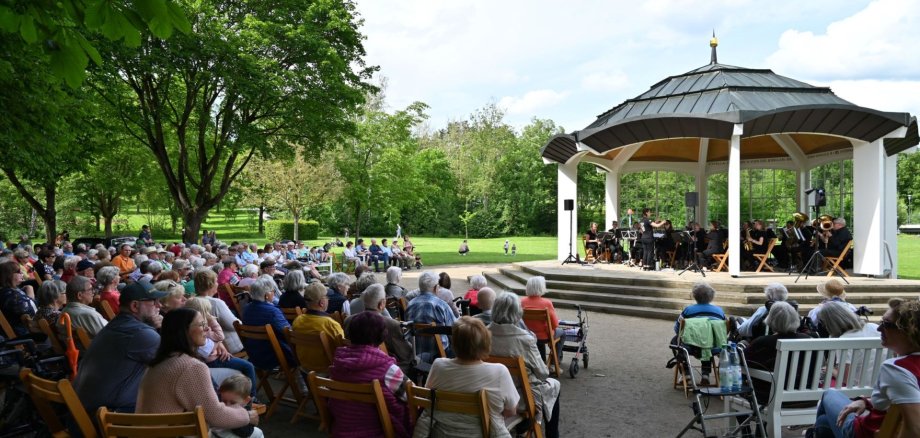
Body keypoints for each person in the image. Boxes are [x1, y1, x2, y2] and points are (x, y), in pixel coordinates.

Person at [135, 308, 260, 434]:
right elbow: (215, 415)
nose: (207, 328)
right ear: (184, 331)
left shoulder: (158, 363)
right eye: (201, 324)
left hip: (146, 433)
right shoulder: (191, 367)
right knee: (256, 434)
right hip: (171, 433)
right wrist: (247, 416)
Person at [812, 300, 920, 437]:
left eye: (886, 324)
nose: (879, 329)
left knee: (829, 394)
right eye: (881, 322)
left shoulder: (897, 369)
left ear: (908, 331)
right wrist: (866, 402)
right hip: (883, 424)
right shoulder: (906, 367)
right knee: (824, 422)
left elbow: (915, 429)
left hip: (866, 432)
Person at [412, 317, 520, 438]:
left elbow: (428, 400)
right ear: (485, 343)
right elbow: (511, 411)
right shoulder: (499, 372)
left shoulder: (438, 366)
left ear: (454, 342)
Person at [74, 282, 165, 414]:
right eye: (154, 301)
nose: (159, 305)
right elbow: (176, 364)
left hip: (86, 409)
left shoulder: (116, 324)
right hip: (110, 416)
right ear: (135, 306)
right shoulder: (141, 333)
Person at [489, 293, 561, 438]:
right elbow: (543, 373)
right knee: (555, 384)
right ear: (517, 313)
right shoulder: (525, 339)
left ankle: (525, 423)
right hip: (522, 398)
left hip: (492, 394)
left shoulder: (483, 333)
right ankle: (551, 435)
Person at [332, 311, 412, 437]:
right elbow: (412, 396)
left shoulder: (337, 365)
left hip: (342, 430)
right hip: (380, 431)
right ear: (382, 336)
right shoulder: (389, 370)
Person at [741, 301, 816, 404]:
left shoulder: (762, 343)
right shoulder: (810, 341)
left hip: (771, 397)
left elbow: (742, 363)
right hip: (808, 398)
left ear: (771, 320)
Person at [344, 284, 413, 371]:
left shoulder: (348, 320)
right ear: (381, 304)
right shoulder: (392, 325)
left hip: (353, 367)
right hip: (384, 370)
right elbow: (406, 354)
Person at [670, 282, 725, 385]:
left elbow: (678, 329)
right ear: (711, 297)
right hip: (714, 347)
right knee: (707, 341)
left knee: (675, 341)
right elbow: (723, 331)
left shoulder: (688, 310)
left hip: (690, 346)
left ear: (694, 296)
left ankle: (686, 374)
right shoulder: (719, 311)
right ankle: (705, 375)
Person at [241, 276, 294, 371]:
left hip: (254, 355)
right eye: (272, 291)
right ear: (266, 295)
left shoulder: (246, 309)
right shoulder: (272, 311)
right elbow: (288, 332)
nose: (274, 293)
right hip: (274, 355)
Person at [821, 301, 880, 385]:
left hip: (859, 388)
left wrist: (830, 369)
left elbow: (845, 379)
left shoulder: (843, 340)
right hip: (883, 384)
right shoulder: (875, 327)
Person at [291, 282, 345, 372]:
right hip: (327, 370)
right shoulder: (330, 324)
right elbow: (343, 350)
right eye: (327, 297)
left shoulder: (297, 320)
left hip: (305, 368)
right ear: (321, 303)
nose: (328, 299)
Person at [406, 271, 458, 360]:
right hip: (440, 353)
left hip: (417, 353)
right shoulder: (441, 305)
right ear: (436, 288)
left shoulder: (410, 304)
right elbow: (455, 329)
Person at [195, 269, 244, 354]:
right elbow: (233, 325)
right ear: (210, 284)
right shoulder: (215, 303)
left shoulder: (192, 301)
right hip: (229, 347)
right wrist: (242, 323)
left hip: (209, 347)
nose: (217, 284)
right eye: (216, 281)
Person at [521, 276, 562, 363]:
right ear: (541, 287)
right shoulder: (547, 303)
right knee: (562, 333)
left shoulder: (521, 302)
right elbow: (555, 325)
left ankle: (545, 361)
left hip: (527, 334)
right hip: (543, 336)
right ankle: (554, 360)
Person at [0, 260, 37, 337]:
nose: (22, 273)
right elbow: (32, 312)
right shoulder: (11, 295)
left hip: (28, 329)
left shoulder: (12, 290)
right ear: (9, 275)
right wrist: (30, 291)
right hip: (25, 334)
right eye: (18, 272)